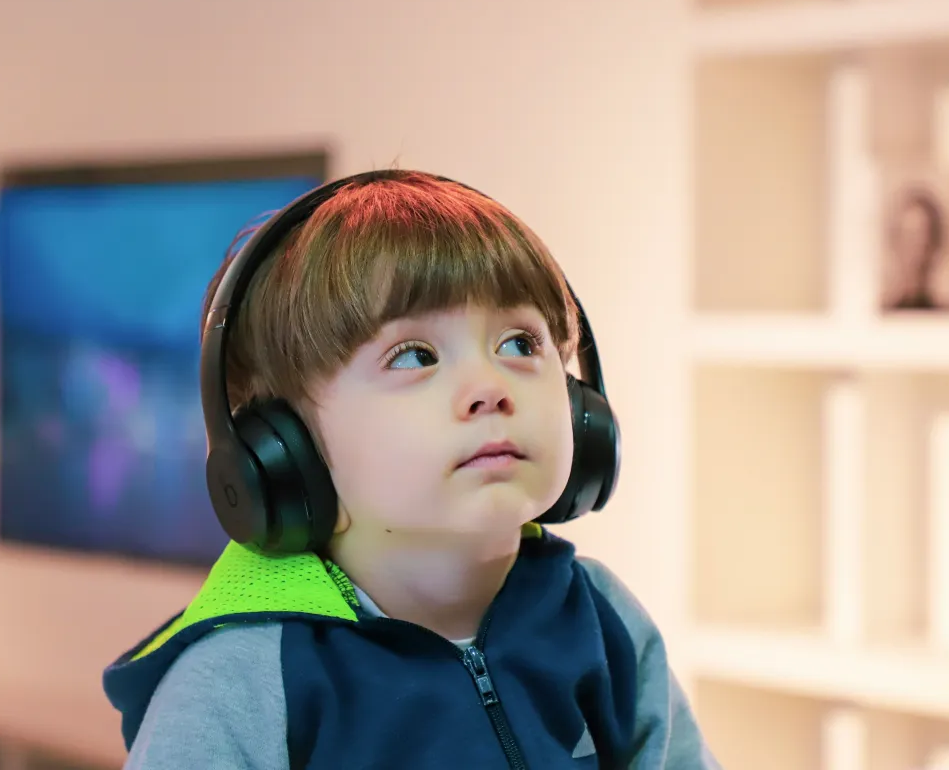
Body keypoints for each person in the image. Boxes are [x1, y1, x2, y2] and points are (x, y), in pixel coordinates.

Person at [102, 169, 719, 769]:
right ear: (284, 451)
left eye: (520, 344)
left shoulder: (601, 618)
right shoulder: (245, 679)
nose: (489, 387)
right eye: (414, 356)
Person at [885, 189, 946, 311]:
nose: (913, 247)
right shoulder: (884, 310)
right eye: (907, 235)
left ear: (933, 246)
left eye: (920, 235)